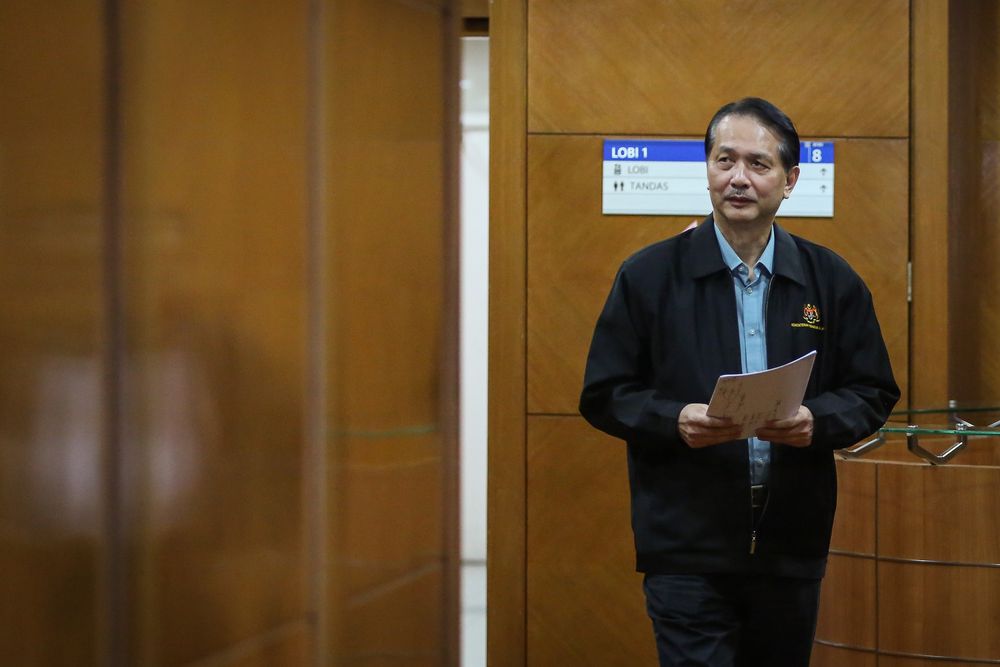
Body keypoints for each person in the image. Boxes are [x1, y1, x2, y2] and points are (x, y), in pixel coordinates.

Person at [579, 97, 899, 666]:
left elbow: (872, 391)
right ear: (707, 169)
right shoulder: (650, 276)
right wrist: (674, 419)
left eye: (758, 164)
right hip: (685, 546)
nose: (739, 179)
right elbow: (605, 394)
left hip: (790, 546)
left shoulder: (830, 279)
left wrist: (815, 422)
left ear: (790, 179)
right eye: (724, 161)